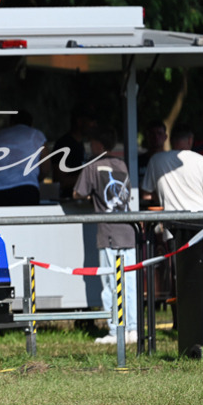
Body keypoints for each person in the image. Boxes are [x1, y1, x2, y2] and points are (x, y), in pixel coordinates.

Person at [73, 127, 138, 345]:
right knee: (129, 282)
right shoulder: (122, 164)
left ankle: (115, 331)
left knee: (111, 283)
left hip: (109, 231)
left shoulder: (92, 166)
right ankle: (133, 329)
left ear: (99, 145)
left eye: (92, 143)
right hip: (128, 230)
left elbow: (78, 192)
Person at [0, 109, 47, 206]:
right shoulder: (36, 135)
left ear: (11, 122)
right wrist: (35, 179)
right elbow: (46, 167)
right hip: (25, 189)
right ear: (31, 123)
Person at [51, 107, 95, 200]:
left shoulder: (80, 143)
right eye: (90, 121)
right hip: (68, 202)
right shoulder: (64, 144)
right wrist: (88, 176)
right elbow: (60, 181)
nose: (93, 125)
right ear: (79, 121)